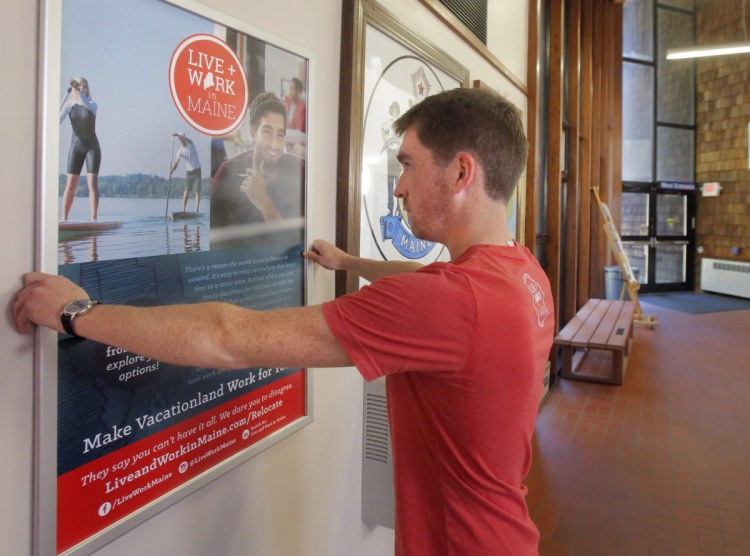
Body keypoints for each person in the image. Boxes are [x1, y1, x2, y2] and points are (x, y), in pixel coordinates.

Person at [14, 88, 554, 556]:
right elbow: (422, 277)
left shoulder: (450, 303)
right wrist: (349, 264)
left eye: (409, 164)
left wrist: (77, 312)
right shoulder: (520, 272)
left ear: (461, 171)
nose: (399, 187)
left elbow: (229, 340)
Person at [210, 92, 304, 242]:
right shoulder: (227, 173)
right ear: (253, 134)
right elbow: (211, 243)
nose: (275, 144)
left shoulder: (299, 170)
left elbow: (295, 247)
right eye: (267, 132)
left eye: (280, 135)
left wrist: (263, 201)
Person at [60, 77, 101, 221]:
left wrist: (76, 89)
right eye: (79, 86)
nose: (82, 88)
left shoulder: (92, 104)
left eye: (84, 86)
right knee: (70, 184)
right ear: (73, 89)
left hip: (92, 148)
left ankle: (93, 218)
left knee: (92, 184)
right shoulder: (69, 105)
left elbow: (85, 104)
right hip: (76, 147)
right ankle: (64, 219)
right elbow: (57, 122)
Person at [169, 132, 202, 213]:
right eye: (180, 139)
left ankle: (197, 210)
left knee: (197, 191)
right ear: (179, 140)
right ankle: (183, 210)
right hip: (189, 172)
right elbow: (176, 162)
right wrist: (172, 171)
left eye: (182, 138)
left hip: (197, 170)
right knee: (186, 190)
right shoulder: (180, 151)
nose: (181, 140)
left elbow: (186, 138)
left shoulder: (191, 143)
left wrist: (177, 134)